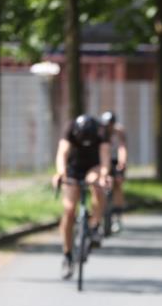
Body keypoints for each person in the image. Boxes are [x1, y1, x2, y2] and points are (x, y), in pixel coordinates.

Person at [52, 115, 109, 279]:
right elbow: (62, 153)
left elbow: (105, 157)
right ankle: (67, 255)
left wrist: (104, 175)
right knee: (69, 210)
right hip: (73, 168)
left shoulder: (100, 131)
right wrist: (60, 173)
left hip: (94, 167)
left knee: (97, 186)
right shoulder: (69, 128)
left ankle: (95, 224)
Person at [99, 111, 128, 234]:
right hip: (102, 160)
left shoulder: (119, 131)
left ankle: (118, 216)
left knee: (118, 183)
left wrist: (122, 162)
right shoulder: (99, 132)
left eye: (110, 124)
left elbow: (122, 147)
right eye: (106, 124)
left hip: (115, 160)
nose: (108, 127)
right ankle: (99, 218)